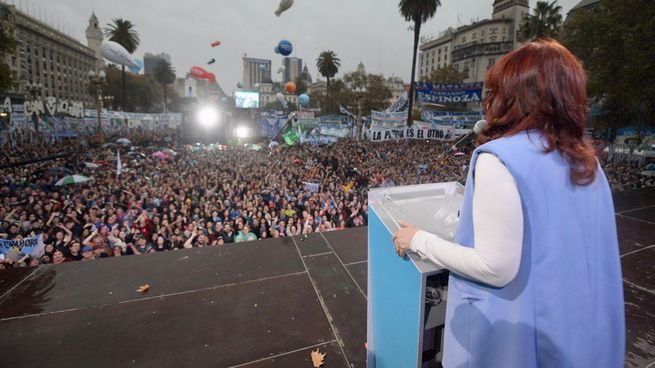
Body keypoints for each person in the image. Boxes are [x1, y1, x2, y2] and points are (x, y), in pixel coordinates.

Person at [392, 39, 624, 367]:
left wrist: (417, 239)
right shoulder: (586, 161)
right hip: (579, 333)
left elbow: (494, 267)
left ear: (512, 94)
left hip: (520, 344)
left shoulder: (498, 158)